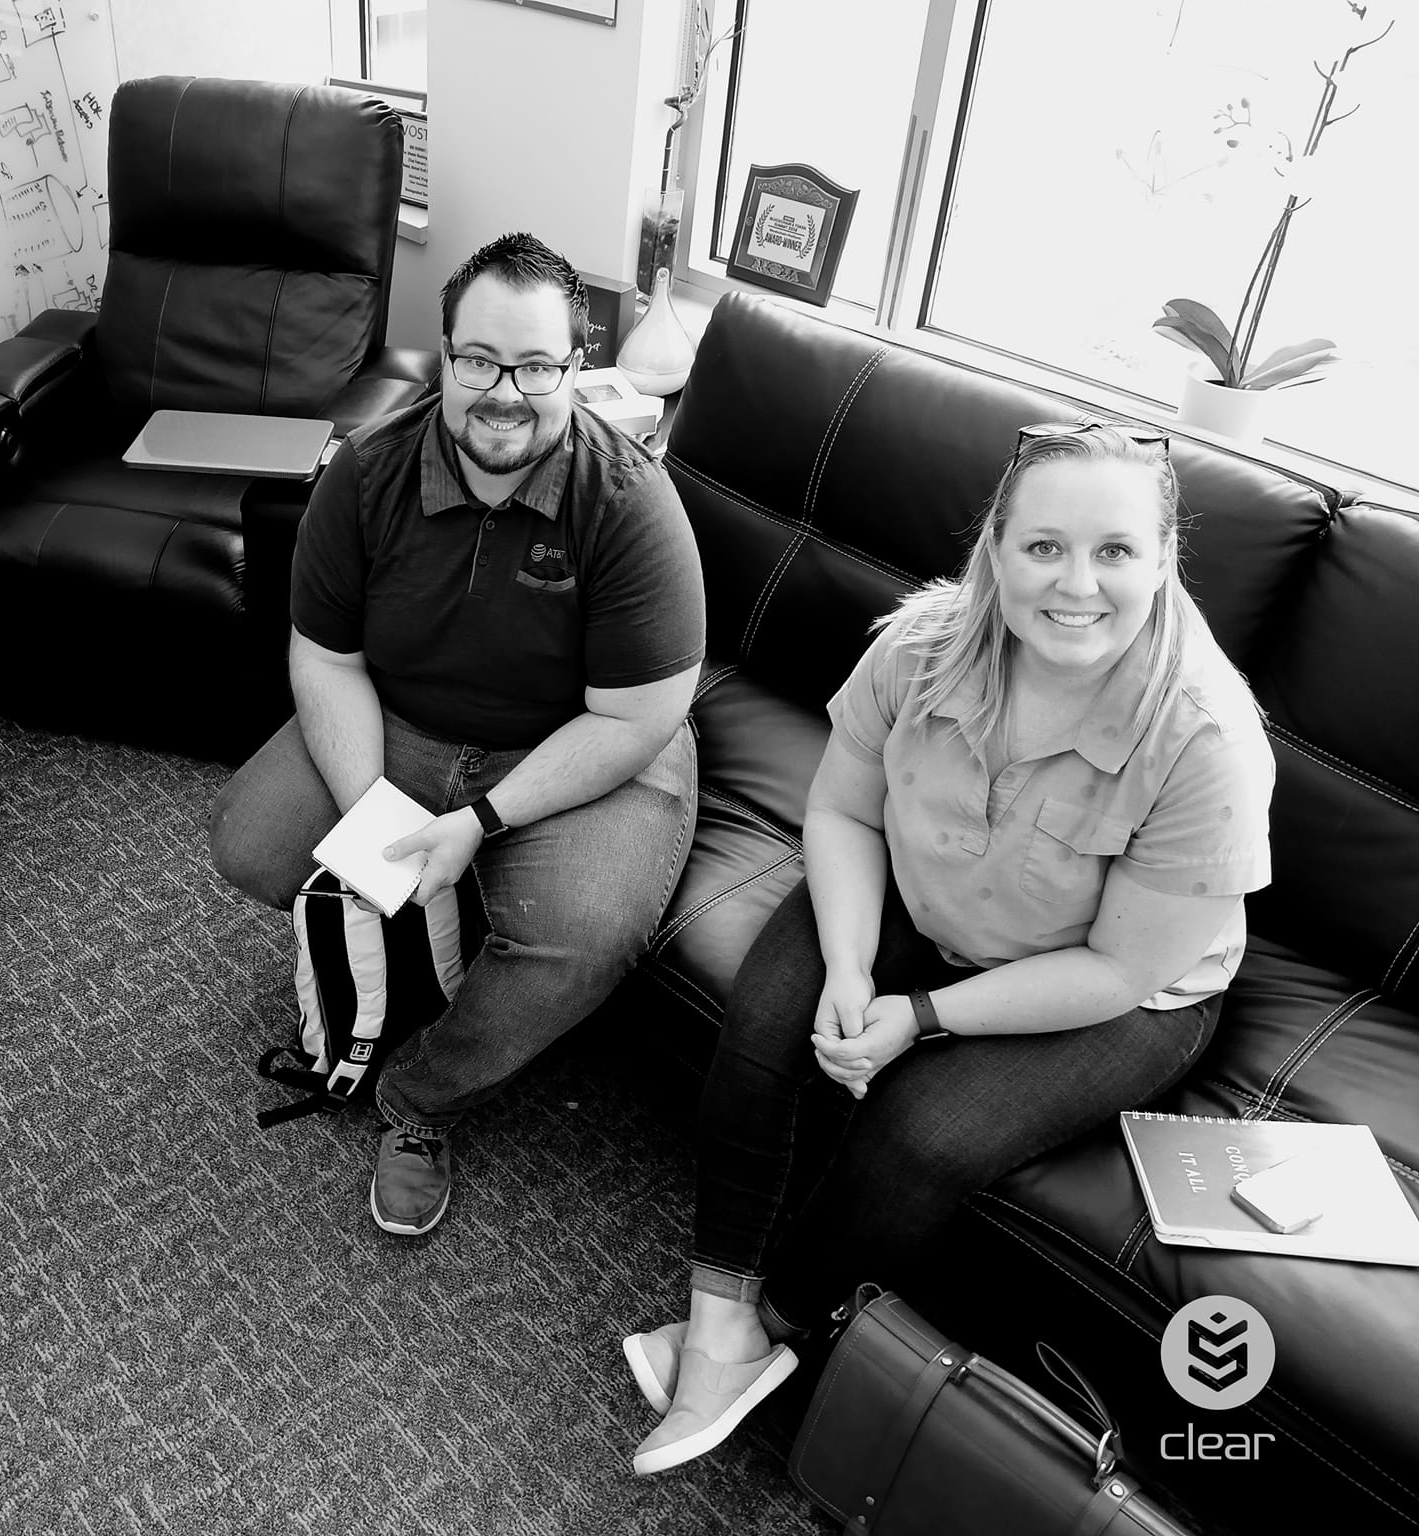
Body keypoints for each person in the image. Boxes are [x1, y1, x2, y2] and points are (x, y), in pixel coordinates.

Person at [625, 422, 1275, 1476]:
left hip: (1113, 987)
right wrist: (848, 967)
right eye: (1043, 546)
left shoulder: (1205, 744)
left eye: (1114, 551)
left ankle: (768, 1330)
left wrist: (921, 1017)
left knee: (923, 1132)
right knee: (767, 1017)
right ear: (995, 549)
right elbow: (843, 813)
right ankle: (716, 1317)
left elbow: (1120, 969)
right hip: (923, 896)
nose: (1077, 584)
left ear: (1161, 560)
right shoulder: (920, 646)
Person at [209, 232, 707, 1237]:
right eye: (478, 361)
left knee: (582, 932)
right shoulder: (365, 471)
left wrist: (480, 819)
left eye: (535, 366)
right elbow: (326, 659)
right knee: (251, 842)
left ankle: (422, 1100)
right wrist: (372, 820)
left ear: (576, 363)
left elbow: (636, 716)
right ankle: (445, 932)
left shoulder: (629, 503)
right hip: (402, 719)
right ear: (443, 355)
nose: (504, 394)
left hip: (581, 747)